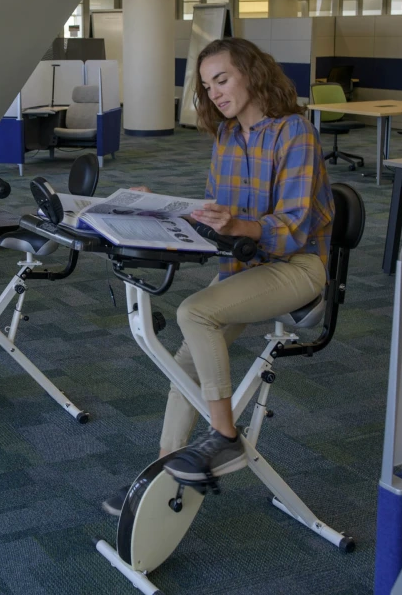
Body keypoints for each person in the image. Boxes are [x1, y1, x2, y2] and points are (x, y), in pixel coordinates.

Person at [104, 37, 334, 514]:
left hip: (298, 267)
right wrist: (155, 207)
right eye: (207, 87)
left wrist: (237, 225)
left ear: (252, 73)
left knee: (195, 312)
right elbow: (217, 216)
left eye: (222, 80)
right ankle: (166, 468)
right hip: (244, 264)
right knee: (184, 365)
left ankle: (225, 436)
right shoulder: (227, 137)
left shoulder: (295, 133)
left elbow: (292, 229)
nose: (215, 93)